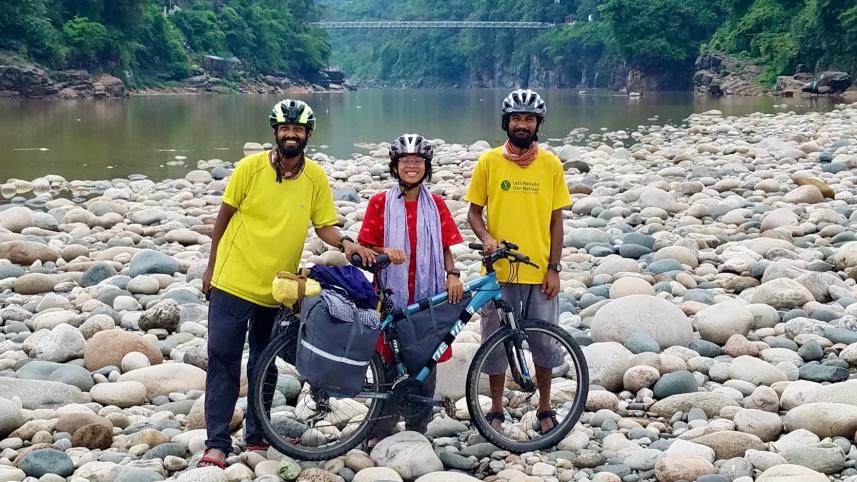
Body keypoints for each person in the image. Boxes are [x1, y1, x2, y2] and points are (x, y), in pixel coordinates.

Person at [198, 99, 375, 468]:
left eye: (298, 129)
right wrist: (210, 269)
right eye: (285, 128)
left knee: (264, 362)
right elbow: (223, 218)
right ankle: (216, 443)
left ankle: (256, 437)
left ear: (308, 134)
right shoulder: (250, 168)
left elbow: (324, 225)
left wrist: (346, 243)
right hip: (232, 282)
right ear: (275, 132)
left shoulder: (315, 178)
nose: (291, 134)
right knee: (223, 360)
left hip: (277, 288)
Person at [464, 89, 571, 434]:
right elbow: (473, 213)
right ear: (506, 123)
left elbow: (557, 221)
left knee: (543, 341)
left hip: (539, 270)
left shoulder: (551, 164)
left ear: (537, 124)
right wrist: (487, 239)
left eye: (528, 119)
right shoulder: (489, 162)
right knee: (494, 340)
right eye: (516, 118)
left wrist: (554, 268)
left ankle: (544, 407)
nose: (522, 124)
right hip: (499, 270)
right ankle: (495, 409)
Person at [357, 133, 464, 446]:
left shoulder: (437, 205)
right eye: (405, 161)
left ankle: (417, 430)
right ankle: (381, 430)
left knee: (426, 359)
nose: (412, 166)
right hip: (390, 294)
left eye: (418, 161)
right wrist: (386, 250)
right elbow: (365, 245)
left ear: (426, 167)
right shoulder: (380, 203)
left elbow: (445, 246)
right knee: (388, 361)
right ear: (395, 166)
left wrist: (453, 274)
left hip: (427, 295)